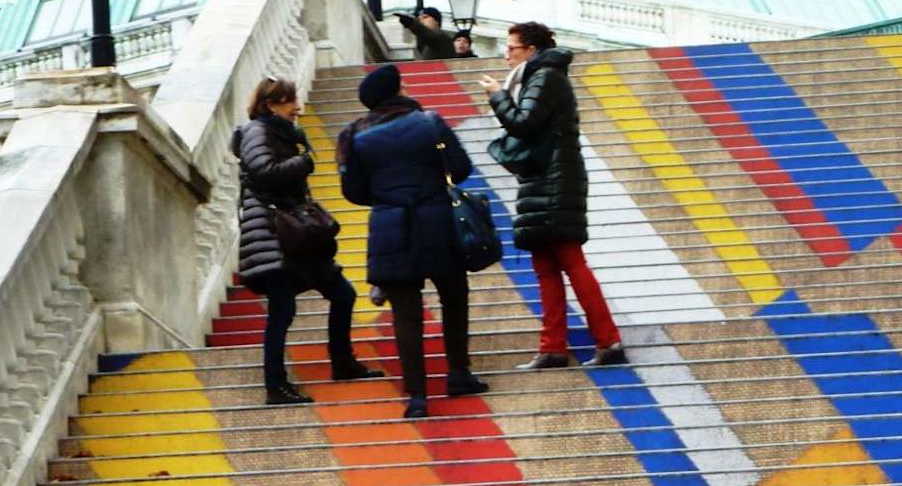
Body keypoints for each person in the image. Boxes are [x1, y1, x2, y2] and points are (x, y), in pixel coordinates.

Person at [337, 62, 489, 419]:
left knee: (405, 314)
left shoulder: (353, 135)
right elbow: (461, 168)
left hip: (390, 226)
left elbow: (353, 191)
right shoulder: (430, 122)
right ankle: (459, 373)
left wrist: (386, 196)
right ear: (399, 91)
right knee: (454, 297)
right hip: (437, 220)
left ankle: (417, 396)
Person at [481, 21, 626, 371]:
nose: (506, 55)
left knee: (570, 261)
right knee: (546, 266)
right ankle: (552, 348)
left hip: (555, 180)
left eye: (511, 48)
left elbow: (524, 123)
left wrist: (498, 95)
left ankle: (608, 341)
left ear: (531, 50)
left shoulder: (545, 76)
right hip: (545, 178)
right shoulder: (539, 77)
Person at [230, 77, 379, 405]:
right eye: (290, 101)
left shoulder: (281, 133)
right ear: (271, 105)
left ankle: (342, 362)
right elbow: (263, 172)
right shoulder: (257, 132)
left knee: (343, 294)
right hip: (274, 236)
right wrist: (303, 162)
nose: (297, 107)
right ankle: (275, 385)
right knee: (282, 311)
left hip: (295, 236)